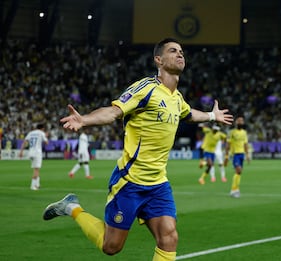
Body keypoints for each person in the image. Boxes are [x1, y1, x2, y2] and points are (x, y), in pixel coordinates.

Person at [42, 38, 233, 261]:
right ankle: (72, 207)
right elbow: (114, 111)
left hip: (158, 184)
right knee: (111, 246)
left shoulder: (177, 98)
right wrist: (85, 120)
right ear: (158, 60)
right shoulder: (146, 88)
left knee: (169, 237)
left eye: (181, 51)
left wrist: (212, 116)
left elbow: (189, 114)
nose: (180, 54)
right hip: (130, 181)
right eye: (173, 51)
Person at [224, 116, 250, 198]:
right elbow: (227, 145)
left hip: (242, 154)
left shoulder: (244, 133)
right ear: (236, 122)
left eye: (242, 121)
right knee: (238, 171)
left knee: (239, 172)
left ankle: (236, 189)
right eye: (239, 120)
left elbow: (245, 144)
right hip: (235, 154)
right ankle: (233, 190)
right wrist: (226, 157)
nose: (240, 122)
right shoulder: (232, 132)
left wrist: (247, 155)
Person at [19, 123, 49, 190]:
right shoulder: (41, 133)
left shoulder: (31, 133)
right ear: (42, 128)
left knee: (36, 168)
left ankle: (37, 184)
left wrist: (21, 151)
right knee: (36, 169)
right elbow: (46, 143)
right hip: (37, 153)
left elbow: (25, 142)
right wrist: (46, 136)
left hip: (31, 152)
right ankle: (32, 186)